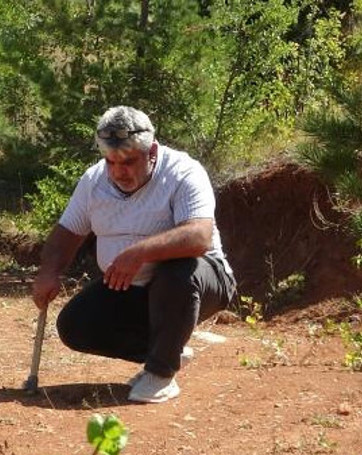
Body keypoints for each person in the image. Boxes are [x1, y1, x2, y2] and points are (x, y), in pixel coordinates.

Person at [32, 106, 236, 404]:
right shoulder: (94, 181)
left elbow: (199, 236)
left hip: (202, 280)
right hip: (133, 289)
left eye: (128, 161)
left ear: (151, 151)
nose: (118, 172)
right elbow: (65, 235)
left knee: (176, 271)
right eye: (110, 161)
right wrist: (49, 271)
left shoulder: (183, 172)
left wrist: (139, 253)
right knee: (75, 325)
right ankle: (168, 347)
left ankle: (160, 373)